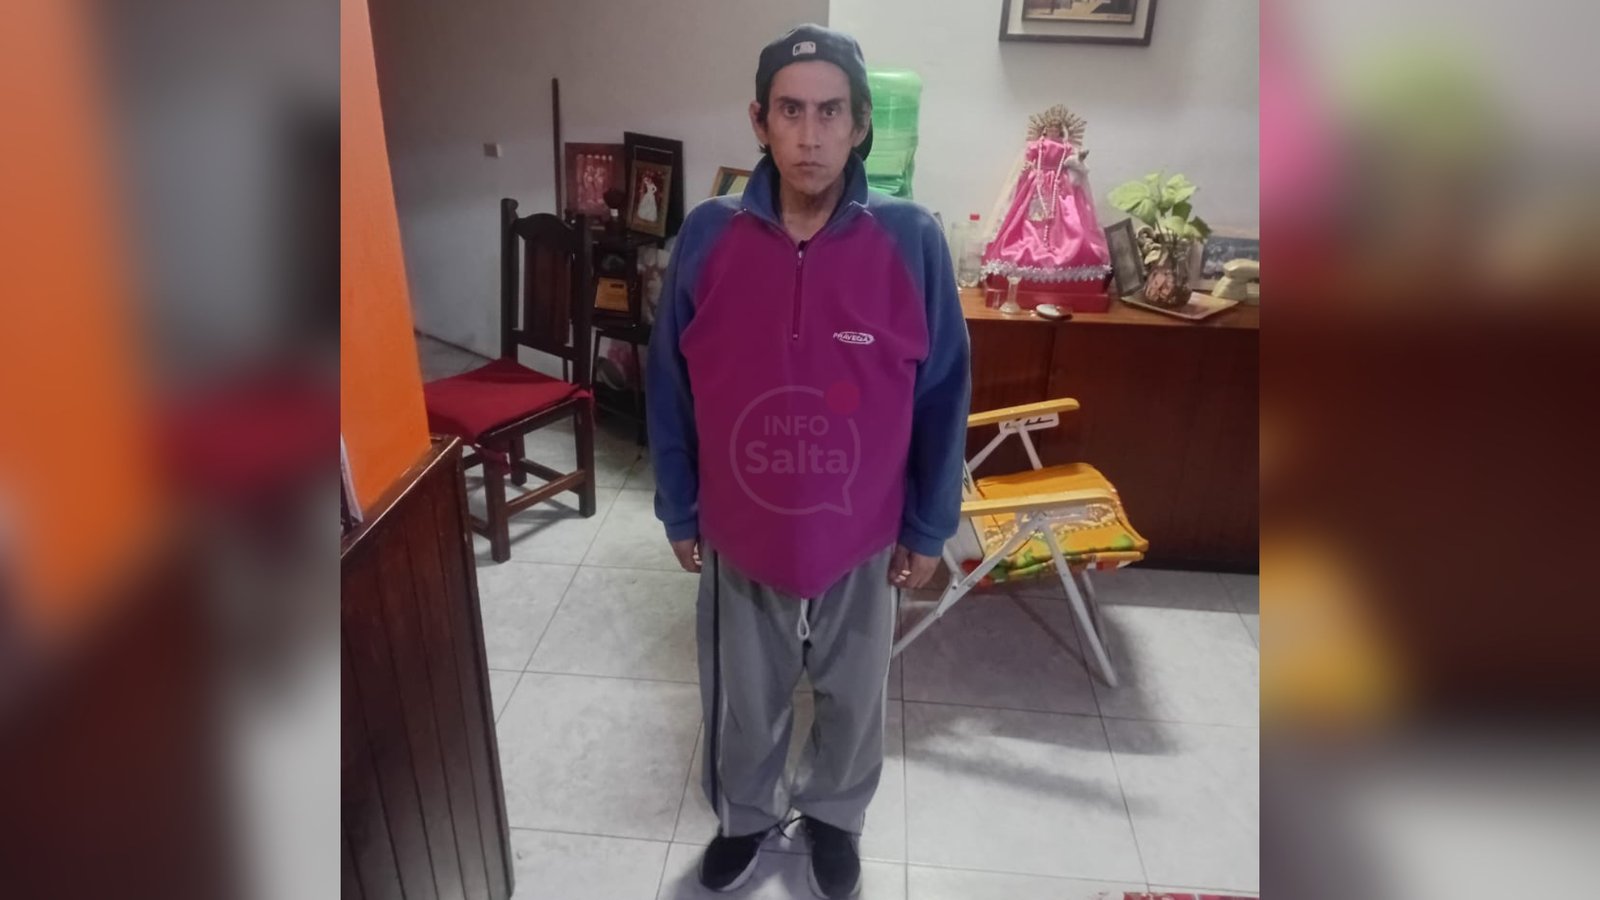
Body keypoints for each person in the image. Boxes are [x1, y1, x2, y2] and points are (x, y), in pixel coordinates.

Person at [646, 23, 970, 899]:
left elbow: (944, 392)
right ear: (759, 121)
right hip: (741, 525)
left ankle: (833, 815)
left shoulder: (911, 239)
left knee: (853, 693)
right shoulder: (707, 237)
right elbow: (669, 383)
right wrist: (679, 506)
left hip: (862, 529)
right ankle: (746, 817)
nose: (811, 134)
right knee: (743, 697)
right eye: (790, 111)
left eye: (831, 112)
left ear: (861, 124)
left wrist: (928, 525)